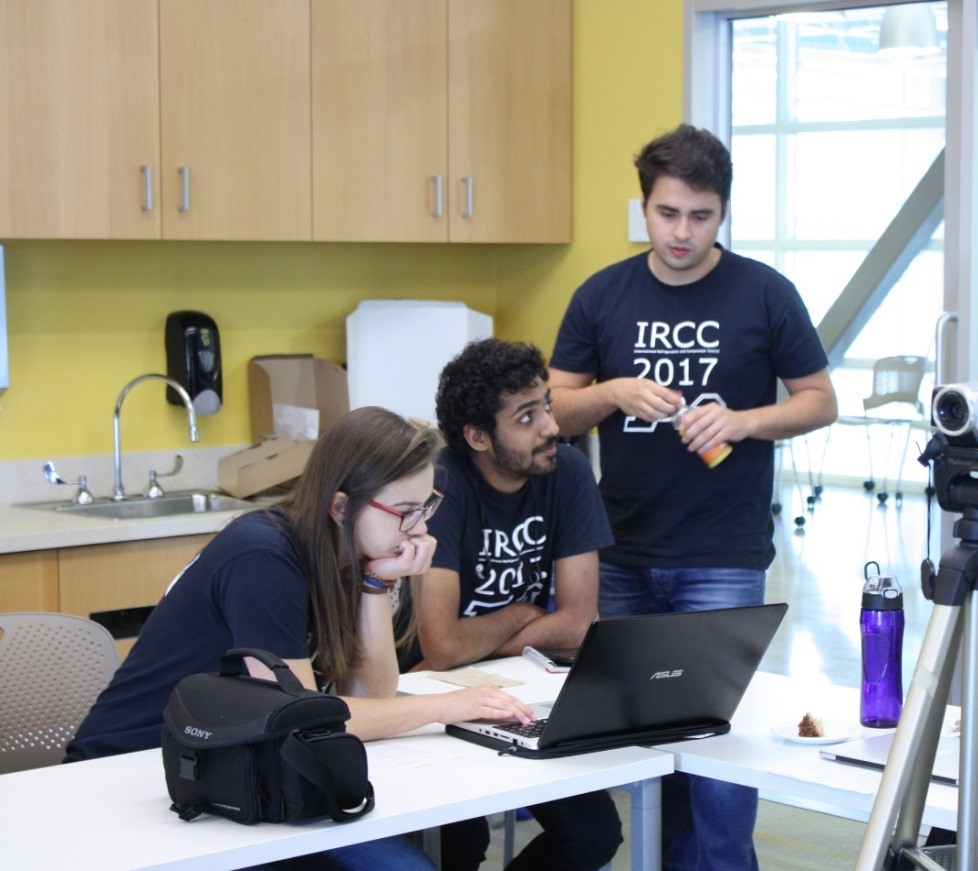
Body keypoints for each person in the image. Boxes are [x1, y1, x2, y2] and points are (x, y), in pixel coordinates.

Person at [65, 406, 535, 870]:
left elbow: (369, 696)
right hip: (137, 774)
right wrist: (444, 707)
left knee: (455, 837)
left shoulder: (344, 550)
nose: (421, 530)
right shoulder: (263, 559)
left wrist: (376, 584)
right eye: (406, 513)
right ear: (341, 505)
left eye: (426, 507)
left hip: (235, 763)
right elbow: (302, 724)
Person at [547, 123, 838, 871]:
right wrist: (609, 390)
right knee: (640, 740)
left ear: (724, 212)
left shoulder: (764, 292)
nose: (682, 232)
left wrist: (744, 420)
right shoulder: (602, 293)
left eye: (700, 216)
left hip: (720, 553)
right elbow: (553, 408)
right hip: (622, 552)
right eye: (667, 213)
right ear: (643, 206)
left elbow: (818, 400)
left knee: (719, 747)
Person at [396, 338, 622, 871]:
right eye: (527, 417)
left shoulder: (566, 470)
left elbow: (576, 625)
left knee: (593, 835)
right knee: (458, 848)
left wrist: (490, 637)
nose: (550, 425)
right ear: (478, 436)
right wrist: (524, 615)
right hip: (431, 695)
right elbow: (442, 647)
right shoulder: (441, 485)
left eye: (546, 404)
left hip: (524, 689)